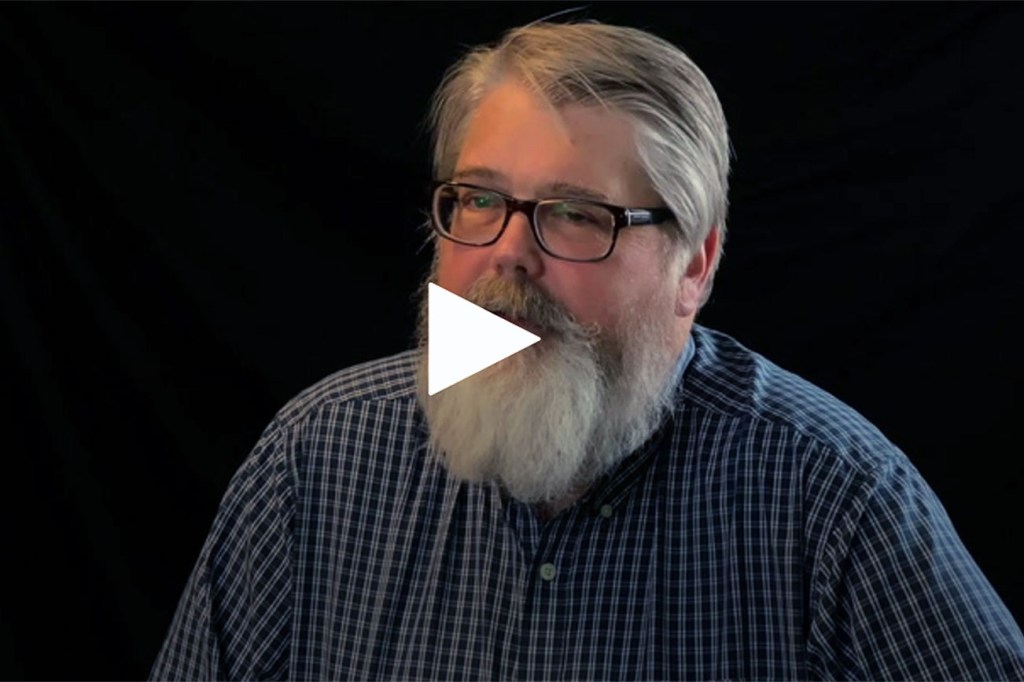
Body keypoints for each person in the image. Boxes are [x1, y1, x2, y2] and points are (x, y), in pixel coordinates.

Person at [151, 20, 1024, 681]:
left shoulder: (836, 501)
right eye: (479, 200)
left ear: (695, 265)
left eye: (575, 214)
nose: (508, 255)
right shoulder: (318, 460)